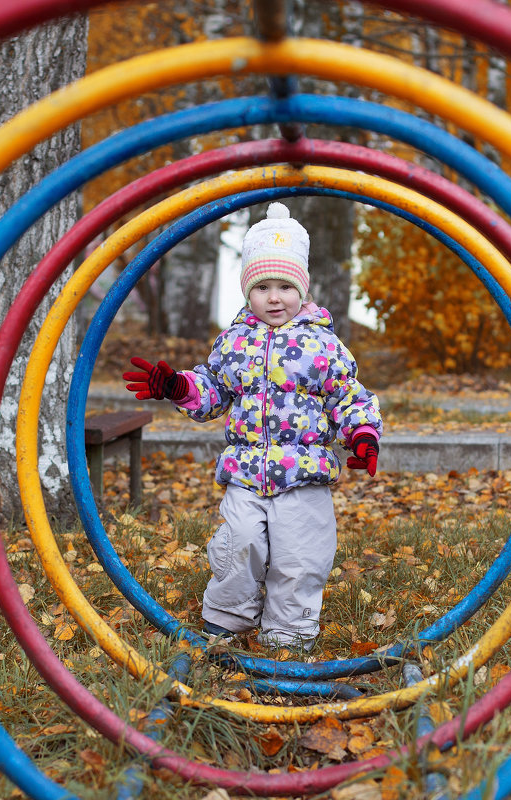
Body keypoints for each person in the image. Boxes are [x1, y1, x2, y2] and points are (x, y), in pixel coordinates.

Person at [124, 202, 383, 652]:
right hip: (245, 473)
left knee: (300, 557)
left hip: (304, 475)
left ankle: (288, 632)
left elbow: (348, 396)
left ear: (302, 288)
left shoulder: (324, 346)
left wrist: (361, 434)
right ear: (248, 291)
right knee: (238, 544)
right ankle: (227, 617)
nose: (275, 297)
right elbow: (213, 390)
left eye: (285, 286)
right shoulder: (233, 342)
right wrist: (178, 386)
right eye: (263, 286)